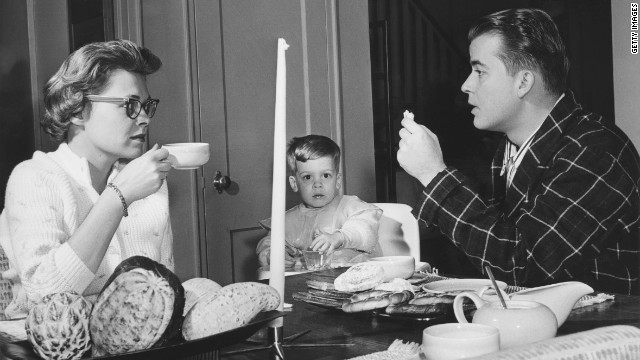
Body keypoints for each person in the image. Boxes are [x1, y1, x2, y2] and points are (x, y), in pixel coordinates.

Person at [397, 8, 640, 294]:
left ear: (523, 82)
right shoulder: (511, 147)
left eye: (479, 71)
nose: (466, 85)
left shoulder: (597, 150)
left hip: (603, 332)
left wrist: (433, 175)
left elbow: (525, 267)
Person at [0, 40, 174, 318]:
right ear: (78, 109)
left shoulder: (149, 184)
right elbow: (47, 297)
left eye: (146, 105)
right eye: (130, 104)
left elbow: (162, 296)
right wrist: (118, 196)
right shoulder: (34, 178)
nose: (144, 119)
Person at [256, 135, 382, 270]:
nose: (317, 184)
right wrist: (273, 255)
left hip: (359, 279)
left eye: (326, 175)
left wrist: (339, 237)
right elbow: (268, 244)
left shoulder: (351, 207)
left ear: (337, 180)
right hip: (312, 285)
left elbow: (365, 230)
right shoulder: (288, 222)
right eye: (308, 177)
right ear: (294, 183)